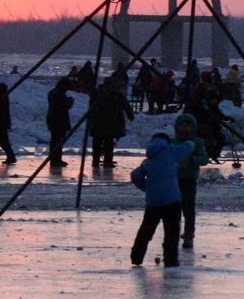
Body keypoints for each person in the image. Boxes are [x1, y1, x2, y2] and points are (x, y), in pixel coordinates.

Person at [127, 132, 185, 267]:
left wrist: (146, 187)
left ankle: (136, 257)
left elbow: (135, 175)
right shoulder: (172, 153)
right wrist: (191, 142)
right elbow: (187, 147)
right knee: (172, 232)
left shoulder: (148, 161)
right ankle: (171, 259)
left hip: (153, 202)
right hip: (172, 200)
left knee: (146, 230)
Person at [170, 113, 211, 250]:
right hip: (173, 180)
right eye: (181, 125)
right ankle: (173, 234)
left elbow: (204, 158)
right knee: (174, 209)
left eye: (187, 125)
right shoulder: (172, 142)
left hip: (189, 180)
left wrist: (191, 161)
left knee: (188, 208)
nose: (184, 128)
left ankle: (188, 235)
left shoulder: (197, 143)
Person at [88, 66, 134, 170]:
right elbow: (126, 106)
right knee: (108, 143)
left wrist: (90, 120)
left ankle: (95, 161)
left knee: (97, 142)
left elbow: (91, 107)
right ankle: (107, 161)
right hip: (111, 123)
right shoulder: (116, 94)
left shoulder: (97, 93)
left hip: (98, 122)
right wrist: (130, 116)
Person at [45, 75, 76, 168]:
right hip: (59, 120)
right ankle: (55, 159)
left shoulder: (54, 92)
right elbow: (61, 107)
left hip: (54, 119)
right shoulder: (58, 94)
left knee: (56, 140)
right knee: (58, 141)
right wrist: (69, 103)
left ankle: (56, 159)